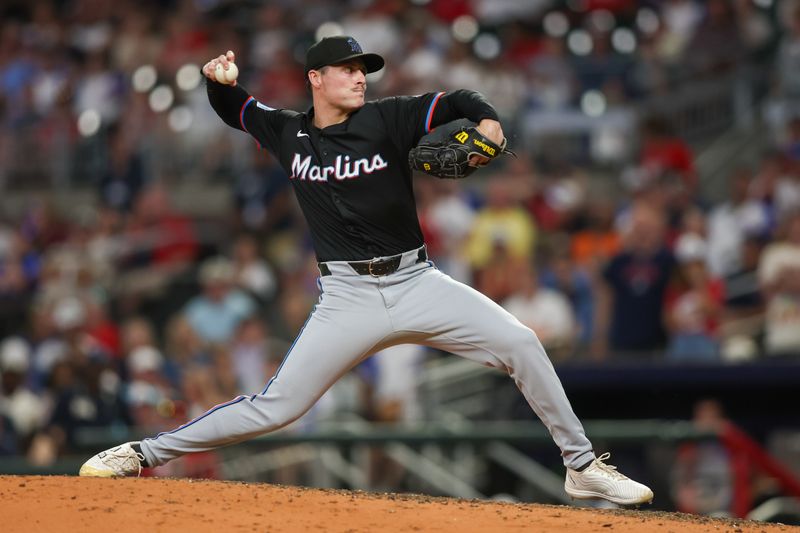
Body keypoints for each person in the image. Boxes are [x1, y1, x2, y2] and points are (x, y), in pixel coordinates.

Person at [79, 36, 652, 505]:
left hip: (417, 282)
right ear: (315, 79)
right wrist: (216, 83)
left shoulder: (388, 118)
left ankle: (582, 466)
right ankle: (141, 454)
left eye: (363, 69)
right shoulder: (289, 133)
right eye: (347, 69)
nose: (359, 77)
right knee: (279, 406)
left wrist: (490, 123)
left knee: (522, 342)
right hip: (347, 297)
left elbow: (458, 99)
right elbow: (238, 111)